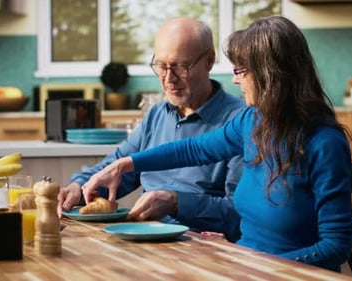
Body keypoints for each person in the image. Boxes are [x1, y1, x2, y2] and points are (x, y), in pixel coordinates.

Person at [81, 16, 352, 272]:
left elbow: (335, 247)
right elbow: (193, 149)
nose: (235, 80)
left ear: (271, 76)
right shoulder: (252, 121)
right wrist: (127, 164)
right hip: (243, 267)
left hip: (288, 274)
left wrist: (255, 263)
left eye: (241, 71)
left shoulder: (325, 143)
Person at [57, 17, 246, 242]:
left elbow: (239, 214)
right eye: (161, 66)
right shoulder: (157, 115)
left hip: (200, 245)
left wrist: (175, 202)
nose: (168, 79)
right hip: (142, 239)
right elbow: (118, 167)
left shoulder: (239, 122)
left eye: (180, 66)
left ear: (209, 61)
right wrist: (79, 186)